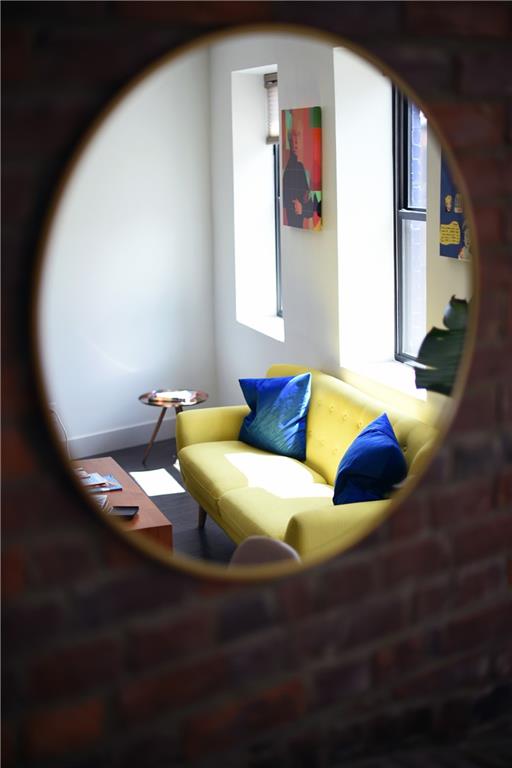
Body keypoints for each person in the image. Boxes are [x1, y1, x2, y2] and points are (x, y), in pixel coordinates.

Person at [282, 128, 315, 228]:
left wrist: (304, 207)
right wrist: (303, 208)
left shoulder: (299, 166)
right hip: (295, 224)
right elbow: (289, 201)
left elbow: (306, 197)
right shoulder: (293, 167)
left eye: (297, 141)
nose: (295, 145)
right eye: (292, 142)